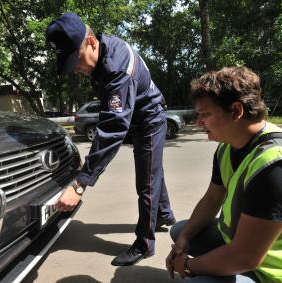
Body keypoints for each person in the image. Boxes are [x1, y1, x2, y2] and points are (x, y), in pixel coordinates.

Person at [166, 66, 282, 282]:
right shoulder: (228, 147)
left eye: (205, 114)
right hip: (254, 251)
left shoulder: (278, 167)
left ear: (237, 111)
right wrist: (184, 239)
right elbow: (212, 199)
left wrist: (189, 265)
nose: (199, 122)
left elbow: (244, 258)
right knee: (182, 230)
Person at [45, 12, 176, 266]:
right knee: (153, 171)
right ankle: (163, 214)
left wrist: (80, 183)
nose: (76, 70)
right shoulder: (106, 50)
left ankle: (145, 244)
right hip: (139, 116)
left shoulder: (116, 67)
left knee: (146, 182)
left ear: (92, 42)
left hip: (148, 119)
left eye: (77, 60)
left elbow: (113, 127)